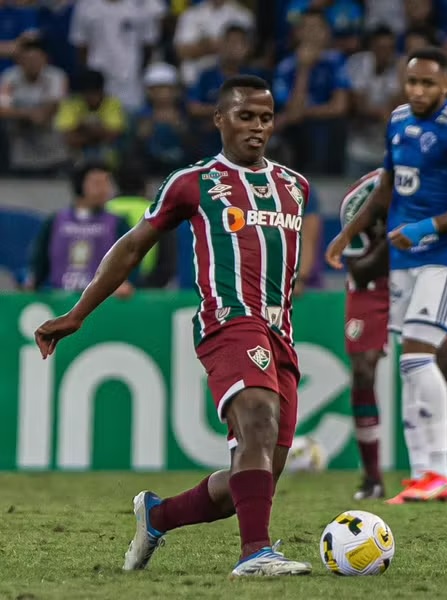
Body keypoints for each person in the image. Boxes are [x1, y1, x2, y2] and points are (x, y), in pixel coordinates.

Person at [33, 74, 314, 577]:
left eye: (265, 117)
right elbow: (133, 246)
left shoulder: (295, 186)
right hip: (229, 321)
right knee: (256, 417)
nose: (256, 127)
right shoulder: (194, 182)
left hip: (280, 331)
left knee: (254, 476)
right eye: (245, 116)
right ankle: (256, 553)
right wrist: (78, 313)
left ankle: (157, 515)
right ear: (219, 119)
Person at [326, 46, 447, 504]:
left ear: (446, 86)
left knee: (420, 355)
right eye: (412, 82)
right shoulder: (399, 121)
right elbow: (386, 185)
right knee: (409, 362)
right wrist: (349, 234)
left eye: (427, 83)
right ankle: (425, 474)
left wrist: (425, 228)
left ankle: (440, 470)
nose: (418, 91)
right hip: (407, 262)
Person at [339, 168, 447, 501]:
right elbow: (360, 269)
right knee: (364, 367)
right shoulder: (357, 201)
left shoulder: (443, 191)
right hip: (374, 283)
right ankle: (372, 479)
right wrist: (398, 240)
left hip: (427, 274)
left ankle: (445, 471)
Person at [25, 160, 134, 297]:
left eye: (108, 182)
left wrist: (127, 283)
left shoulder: (118, 223)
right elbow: (40, 260)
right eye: (97, 183)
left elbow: (130, 258)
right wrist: (33, 283)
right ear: (80, 185)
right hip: (61, 299)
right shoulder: (56, 221)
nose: (104, 189)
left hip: (103, 303)